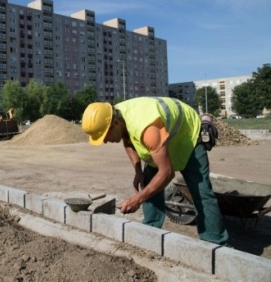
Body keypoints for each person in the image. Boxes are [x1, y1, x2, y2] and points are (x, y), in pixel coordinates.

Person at [81, 97, 228, 245]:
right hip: (161, 140)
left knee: (202, 192)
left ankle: (216, 243)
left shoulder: (146, 127)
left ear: (116, 123)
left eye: (105, 136)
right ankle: (150, 231)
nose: (105, 141)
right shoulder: (115, 114)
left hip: (188, 137)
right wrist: (138, 170)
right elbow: (127, 139)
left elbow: (167, 173)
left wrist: (137, 199)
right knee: (149, 183)